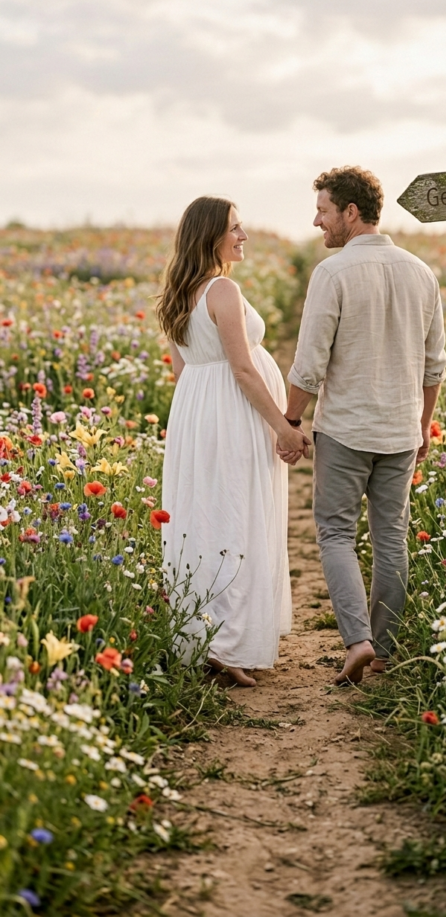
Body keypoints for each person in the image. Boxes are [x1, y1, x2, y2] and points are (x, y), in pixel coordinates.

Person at [281, 166, 446, 685]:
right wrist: (423, 425)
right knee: (391, 537)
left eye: (323, 211)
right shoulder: (421, 272)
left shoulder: (332, 274)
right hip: (400, 431)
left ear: (350, 212)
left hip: (346, 430)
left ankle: (357, 641)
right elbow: (434, 366)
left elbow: (309, 364)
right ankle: (384, 652)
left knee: (335, 533)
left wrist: (290, 420)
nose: (317, 221)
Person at [157, 196, 310, 687]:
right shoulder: (221, 288)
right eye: (235, 228)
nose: (243, 236)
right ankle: (228, 644)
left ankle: (203, 634)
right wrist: (283, 426)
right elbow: (242, 369)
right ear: (210, 236)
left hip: (197, 414)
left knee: (205, 518)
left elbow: (182, 371)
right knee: (237, 517)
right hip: (232, 413)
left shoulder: (177, 294)